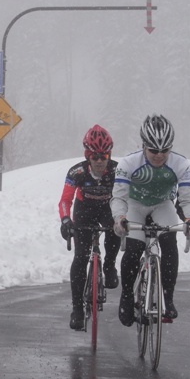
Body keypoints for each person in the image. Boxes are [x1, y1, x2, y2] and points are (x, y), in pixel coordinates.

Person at [110, 114, 190, 327]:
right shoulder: (128, 163)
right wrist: (119, 219)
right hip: (134, 205)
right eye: (153, 150)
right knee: (133, 248)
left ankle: (167, 298)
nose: (159, 156)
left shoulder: (182, 165)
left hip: (162, 204)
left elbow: (186, 198)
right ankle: (126, 297)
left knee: (169, 243)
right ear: (143, 146)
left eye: (165, 150)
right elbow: (119, 197)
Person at [58, 125, 121, 330]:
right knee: (81, 257)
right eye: (95, 157)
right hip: (84, 209)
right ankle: (77, 309)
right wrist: (66, 220)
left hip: (107, 208)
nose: (100, 161)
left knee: (115, 228)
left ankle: (109, 265)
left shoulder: (117, 170)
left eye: (104, 156)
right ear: (87, 156)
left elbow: (128, 197)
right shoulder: (77, 172)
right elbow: (65, 200)